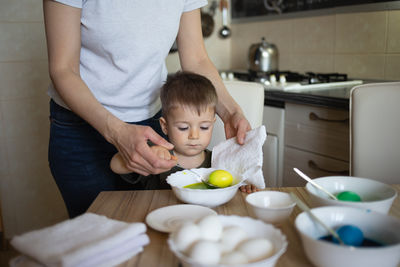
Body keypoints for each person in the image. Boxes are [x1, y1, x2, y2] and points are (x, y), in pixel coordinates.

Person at [43, 0, 251, 218]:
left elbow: (197, 59)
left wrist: (230, 112)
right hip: (80, 127)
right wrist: (116, 132)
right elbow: (63, 69)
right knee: (94, 236)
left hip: (149, 123)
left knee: (148, 228)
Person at [111, 72, 258, 192]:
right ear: (165, 126)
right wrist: (147, 154)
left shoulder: (219, 161)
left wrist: (245, 187)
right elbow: (115, 165)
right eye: (183, 128)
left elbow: (232, 189)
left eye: (204, 127)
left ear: (213, 124)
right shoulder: (157, 157)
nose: (194, 136)